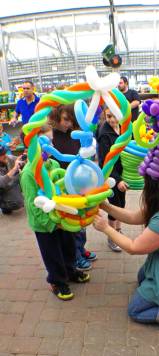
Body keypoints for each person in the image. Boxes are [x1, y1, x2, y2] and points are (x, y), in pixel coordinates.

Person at [93, 175, 159, 335]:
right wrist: (105, 206)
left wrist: (106, 228)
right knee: (142, 277)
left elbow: (133, 247)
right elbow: (132, 217)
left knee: (135, 310)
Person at [20, 124, 90, 301]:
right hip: (45, 224)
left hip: (62, 217)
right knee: (52, 253)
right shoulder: (29, 173)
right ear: (32, 145)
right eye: (45, 142)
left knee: (68, 246)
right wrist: (51, 222)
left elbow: (64, 188)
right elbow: (32, 204)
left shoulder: (54, 164)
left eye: (52, 140)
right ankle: (57, 281)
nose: (51, 146)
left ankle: (70, 270)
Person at [49, 104, 97, 270]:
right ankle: (74, 256)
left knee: (81, 221)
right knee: (71, 223)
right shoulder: (51, 135)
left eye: (71, 120)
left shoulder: (74, 133)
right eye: (65, 120)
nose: (68, 124)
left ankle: (80, 249)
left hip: (77, 183)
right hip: (61, 184)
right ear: (56, 117)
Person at [97, 107, 128, 252]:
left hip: (123, 173)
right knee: (114, 207)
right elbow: (105, 161)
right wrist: (118, 179)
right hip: (112, 176)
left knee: (121, 205)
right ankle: (111, 237)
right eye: (108, 116)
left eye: (115, 116)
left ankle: (118, 230)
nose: (112, 120)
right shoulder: (104, 134)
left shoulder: (122, 127)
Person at [0, 144, 24, 215]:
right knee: (17, 203)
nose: (5, 155)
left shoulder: (9, 158)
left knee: (19, 175)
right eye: (1, 154)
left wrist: (24, 160)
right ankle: (3, 205)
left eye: (4, 152)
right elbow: (2, 182)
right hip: (2, 188)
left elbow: (20, 161)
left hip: (7, 187)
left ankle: (13, 197)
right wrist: (15, 168)